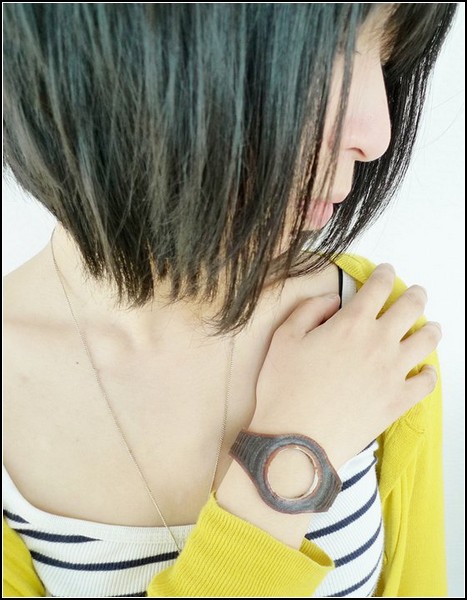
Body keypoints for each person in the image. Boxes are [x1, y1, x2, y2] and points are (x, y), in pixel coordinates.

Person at [3, 3, 457, 597]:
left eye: (388, 55)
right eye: (325, 52)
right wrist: (294, 454)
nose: (378, 135)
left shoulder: (369, 324)